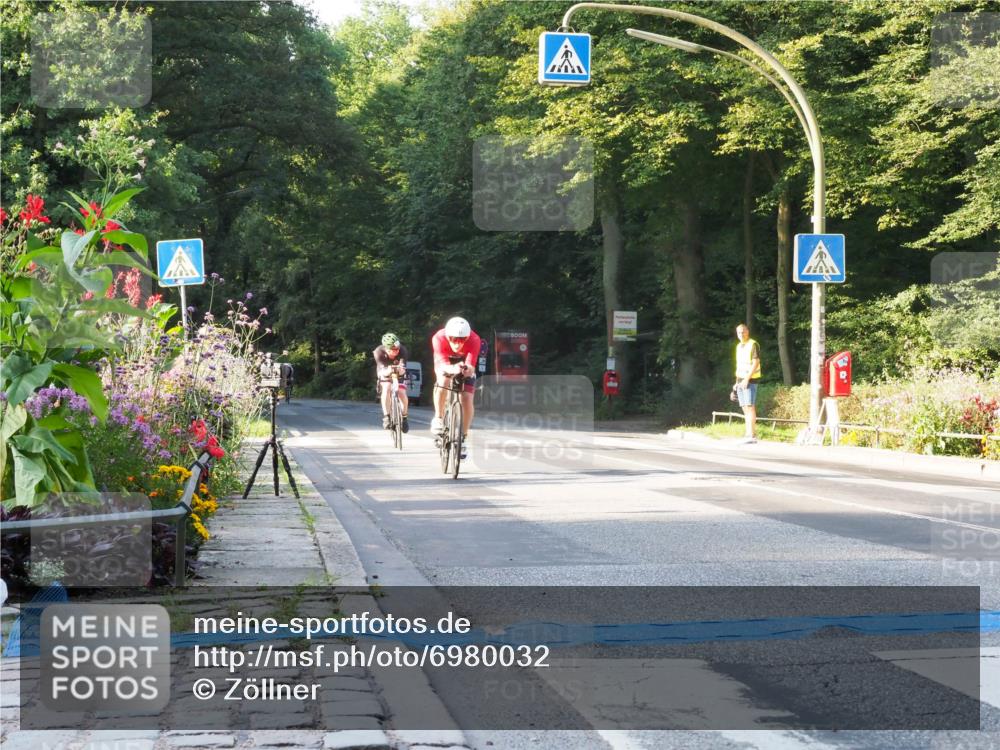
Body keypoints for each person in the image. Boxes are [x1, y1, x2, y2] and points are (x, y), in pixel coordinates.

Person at [431, 317, 481, 458]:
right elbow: (442, 365)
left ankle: (463, 437)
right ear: (447, 336)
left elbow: (471, 366)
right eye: (453, 339)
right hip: (446, 362)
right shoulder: (439, 338)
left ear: (468, 337)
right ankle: (439, 418)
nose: (458, 343)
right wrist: (453, 369)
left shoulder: (474, 339)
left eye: (462, 339)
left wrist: (467, 370)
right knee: (443, 381)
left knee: (466, 397)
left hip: (464, 363)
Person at [373, 332, 409, 432]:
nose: (396, 352)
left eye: (397, 349)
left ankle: (404, 418)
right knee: (387, 387)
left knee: (402, 392)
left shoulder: (403, 350)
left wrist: (400, 369)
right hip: (384, 371)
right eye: (392, 350)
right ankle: (387, 416)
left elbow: (402, 369)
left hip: (399, 372)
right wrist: (389, 370)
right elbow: (382, 371)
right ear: (386, 349)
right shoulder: (378, 352)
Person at [734, 323, 761, 442]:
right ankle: (748, 433)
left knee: (750, 406)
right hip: (740, 380)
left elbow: (755, 363)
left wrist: (746, 379)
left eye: (743, 331)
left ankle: (752, 435)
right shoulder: (739, 346)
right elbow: (739, 365)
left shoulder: (753, 344)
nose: (741, 334)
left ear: (747, 331)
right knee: (744, 407)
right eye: (739, 332)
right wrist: (736, 382)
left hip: (750, 380)